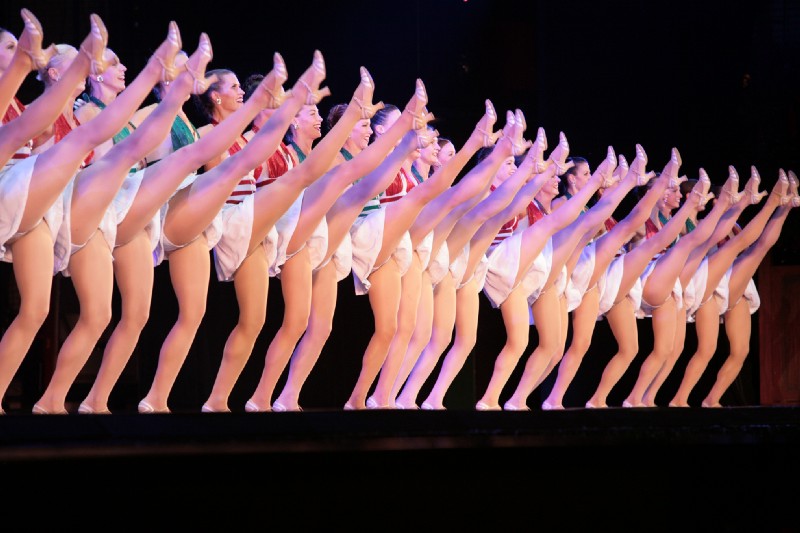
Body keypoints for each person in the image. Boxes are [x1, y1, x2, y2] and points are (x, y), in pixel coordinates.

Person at [137, 50, 331, 413]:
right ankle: (158, 396)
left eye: (244, 89)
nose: (240, 92)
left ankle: (215, 399)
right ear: (215, 96)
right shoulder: (208, 135)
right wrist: (290, 97)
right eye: (234, 88)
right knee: (185, 314)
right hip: (218, 219)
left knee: (253, 320)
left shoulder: (241, 139)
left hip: (244, 225)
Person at [200, 66, 387, 413]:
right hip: (252, 228)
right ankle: (230, 398)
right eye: (278, 101)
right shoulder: (248, 143)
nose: (282, 105)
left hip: (291, 234)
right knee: (271, 320)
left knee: (302, 323)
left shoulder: (286, 154)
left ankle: (269, 397)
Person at [31, 22, 187, 414]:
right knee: (94, 313)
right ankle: (52, 398)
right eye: (113, 64)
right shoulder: (85, 112)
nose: (120, 69)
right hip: (86, 208)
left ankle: (95, 399)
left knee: (136, 314)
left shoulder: (117, 118)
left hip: (121, 210)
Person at [267, 84, 434, 411]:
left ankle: (316, 397)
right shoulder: (332, 158)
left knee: (330, 328)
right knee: (296, 322)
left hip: (349, 240)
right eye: (362, 124)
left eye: (369, 124)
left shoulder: (370, 162)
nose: (368, 130)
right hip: (325, 233)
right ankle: (267, 396)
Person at [0, 14, 118, 414]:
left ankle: (47, 400)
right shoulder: (36, 112)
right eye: (11, 47)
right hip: (16, 194)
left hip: (46, 208)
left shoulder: (40, 110)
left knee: (38, 310)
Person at [396, 123, 557, 409]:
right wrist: (521, 163)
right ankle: (397, 394)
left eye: (513, 163)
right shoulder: (475, 189)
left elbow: (515, 207)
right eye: (507, 162)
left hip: (472, 264)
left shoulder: (502, 192)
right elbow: (490, 209)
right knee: (430, 335)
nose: (511, 167)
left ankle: (431, 397)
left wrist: (534, 168)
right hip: (448, 258)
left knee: (464, 339)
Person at [539, 150, 676, 409]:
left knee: (606, 345)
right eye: (587, 174)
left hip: (601, 273)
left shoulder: (592, 209)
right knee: (568, 346)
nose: (592, 178)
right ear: (572, 179)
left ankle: (588, 399)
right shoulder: (561, 204)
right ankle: (550, 398)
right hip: (575, 269)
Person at [667, 169, 794, 407]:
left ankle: (712, 399)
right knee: (707, 349)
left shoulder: (728, 225)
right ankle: (679, 399)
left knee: (740, 351)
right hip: (706, 284)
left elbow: (747, 240)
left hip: (732, 281)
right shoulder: (689, 224)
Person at [701, 171, 798, 407]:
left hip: (738, 284)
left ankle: (712, 399)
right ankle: (777, 202)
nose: (738, 198)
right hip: (715, 284)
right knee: (757, 251)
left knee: (741, 351)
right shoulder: (710, 224)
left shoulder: (734, 225)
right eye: (733, 195)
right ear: (716, 201)